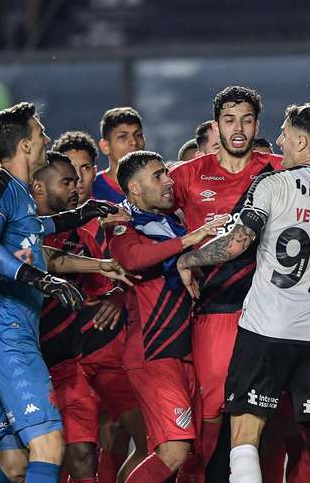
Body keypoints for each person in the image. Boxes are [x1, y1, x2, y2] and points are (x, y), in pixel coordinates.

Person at [176, 103, 310, 483]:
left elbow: (236, 244)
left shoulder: (273, 184)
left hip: (264, 330)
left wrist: (189, 260)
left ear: (302, 141)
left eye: (286, 135)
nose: (280, 142)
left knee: (245, 439)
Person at [0, 102, 126, 483]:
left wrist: (80, 215)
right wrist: (41, 279)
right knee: (51, 444)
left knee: (13, 464)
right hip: (6, 332)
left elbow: (32, 229)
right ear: (24, 145)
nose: (47, 139)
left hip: (8, 330)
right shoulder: (1, 186)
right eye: (40, 134)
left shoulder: (17, 192)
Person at [168, 86, 283, 476]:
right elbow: (143, 213)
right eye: (230, 120)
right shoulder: (185, 176)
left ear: (256, 126)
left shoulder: (280, 171)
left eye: (247, 120)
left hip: (269, 315)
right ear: (215, 126)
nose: (238, 129)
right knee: (210, 415)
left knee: (265, 417)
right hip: (213, 312)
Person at [105, 150, 227, 483]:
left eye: (167, 173)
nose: (169, 181)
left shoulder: (172, 221)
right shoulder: (123, 224)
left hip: (186, 350)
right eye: (158, 175)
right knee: (174, 451)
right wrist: (191, 241)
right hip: (153, 352)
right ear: (134, 187)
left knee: (184, 456)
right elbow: (131, 260)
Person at [54, 131, 148, 482]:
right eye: (69, 171)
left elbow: (138, 269)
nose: (79, 179)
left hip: (107, 343)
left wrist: (117, 295)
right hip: (60, 354)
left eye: (86, 169)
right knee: (74, 447)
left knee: (137, 436)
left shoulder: (116, 219)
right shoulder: (39, 225)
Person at [93, 107, 145, 203]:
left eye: (138, 135)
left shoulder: (159, 184)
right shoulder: (91, 189)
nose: (133, 142)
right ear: (105, 146)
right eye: (122, 137)